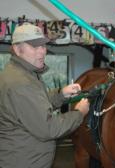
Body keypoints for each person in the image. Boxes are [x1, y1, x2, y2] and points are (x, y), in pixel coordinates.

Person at [0, 23, 90, 168]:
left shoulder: (21, 73)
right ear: (17, 49)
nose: (42, 51)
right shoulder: (21, 82)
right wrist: (79, 113)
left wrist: (61, 94)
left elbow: (33, 105)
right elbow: (49, 128)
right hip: (24, 161)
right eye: (35, 47)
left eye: (43, 46)